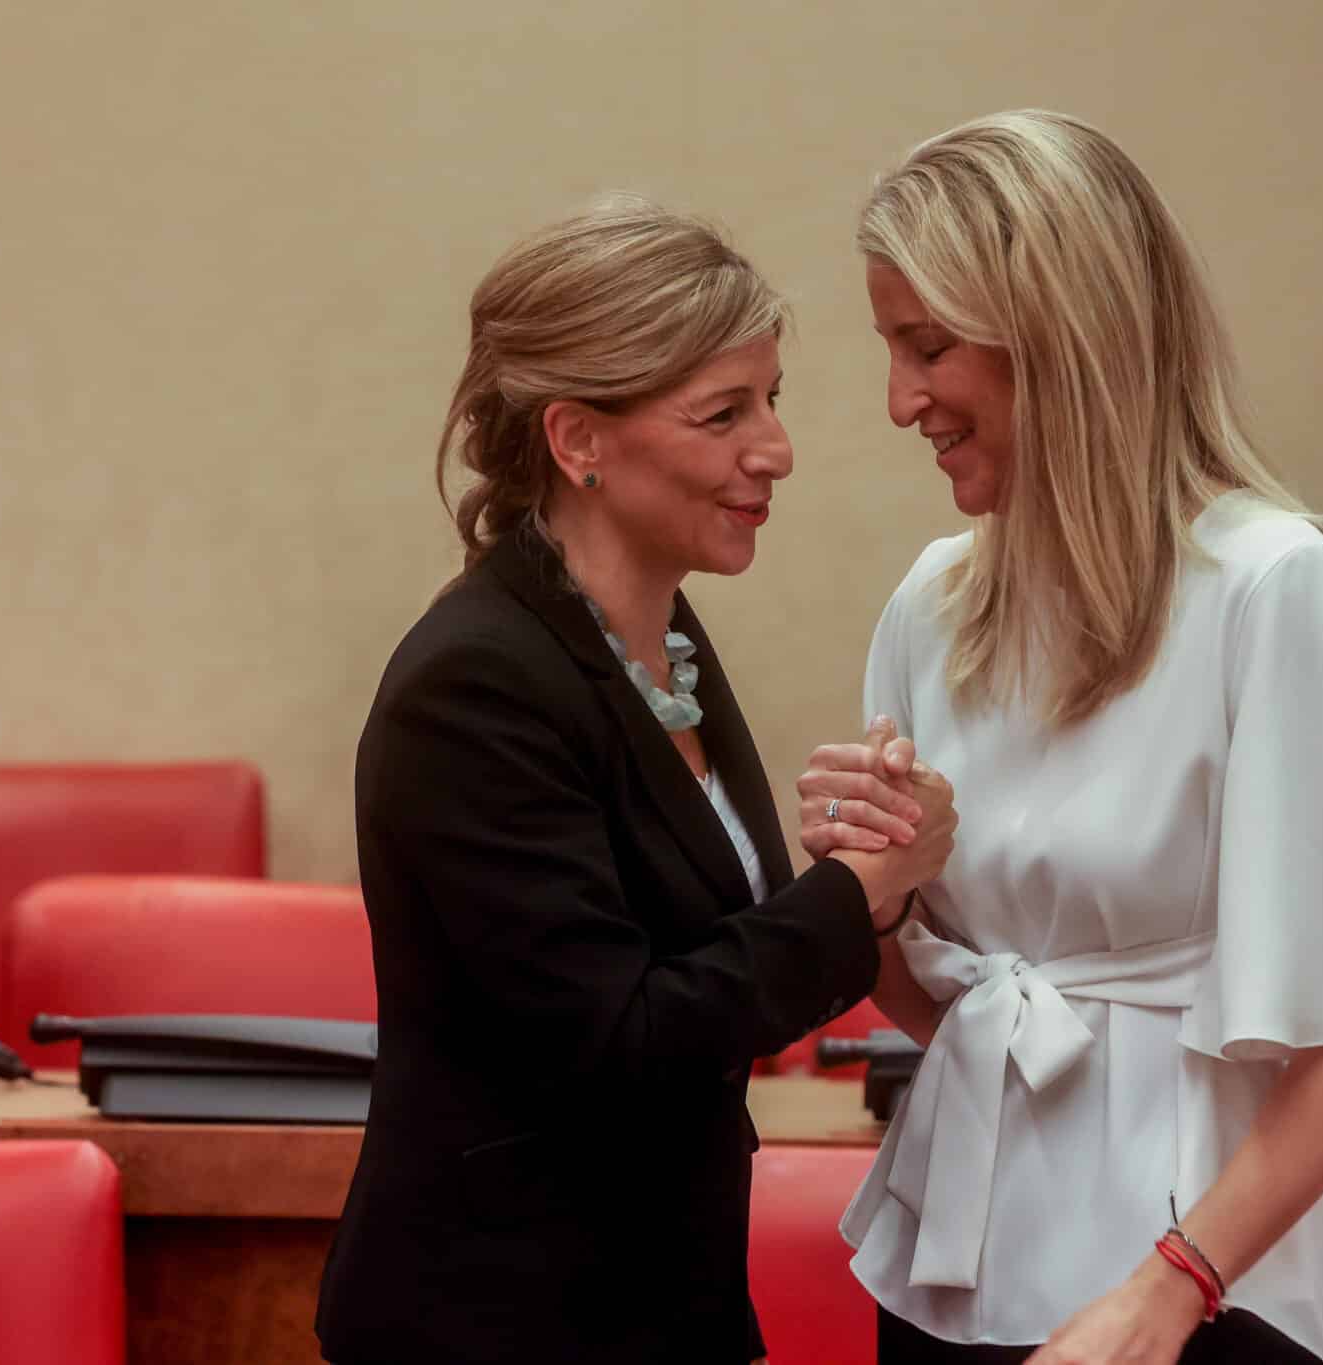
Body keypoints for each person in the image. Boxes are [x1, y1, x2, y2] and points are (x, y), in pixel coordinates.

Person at [796, 111, 1323, 1365]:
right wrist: (880, 890)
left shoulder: (1271, 588)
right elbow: (938, 1008)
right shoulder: (931, 603)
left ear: (1057, 337)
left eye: (926, 346)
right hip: (952, 1272)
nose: (899, 399)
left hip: (1187, 1287)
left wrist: (1168, 1290)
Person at [315, 196, 958, 1365]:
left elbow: (709, 956)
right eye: (723, 413)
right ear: (578, 441)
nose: (775, 449)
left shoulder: (661, 637)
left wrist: (857, 861)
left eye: (771, 401)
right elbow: (621, 1037)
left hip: (657, 1303)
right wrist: (854, 890)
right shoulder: (475, 684)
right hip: (498, 1322)